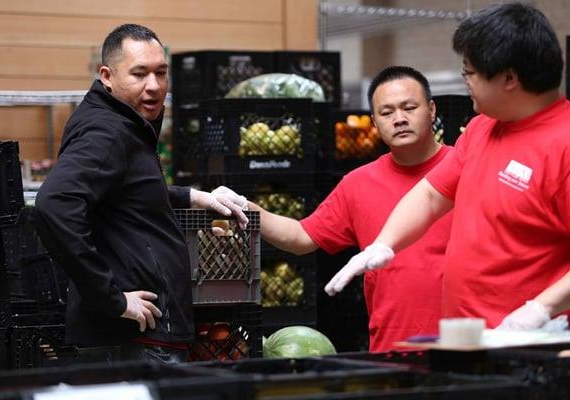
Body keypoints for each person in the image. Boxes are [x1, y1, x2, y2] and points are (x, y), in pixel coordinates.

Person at [325, 2, 570, 332]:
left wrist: (542, 308)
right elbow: (429, 195)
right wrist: (385, 243)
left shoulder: (563, 144)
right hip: (466, 337)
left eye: (469, 72)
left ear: (509, 78)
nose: (465, 81)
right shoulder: (483, 127)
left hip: (532, 344)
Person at [34, 24, 248, 364]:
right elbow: (53, 205)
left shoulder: (123, 122)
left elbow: (128, 192)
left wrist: (194, 196)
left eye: (161, 73)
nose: (154, 86)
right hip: (134, 339)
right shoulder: (106, 131)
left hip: (141, 338)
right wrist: (114, 299)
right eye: (139, 74)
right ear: (107, 76)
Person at [249, 66, 453, 352]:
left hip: (468, 343)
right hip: (391, 350)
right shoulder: (358, 183)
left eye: (409, 107)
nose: (399, 119)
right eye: (387, 112)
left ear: (431, 110)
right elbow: (301, 237)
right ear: (374, 121)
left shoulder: (466, 168)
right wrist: (247, 210)